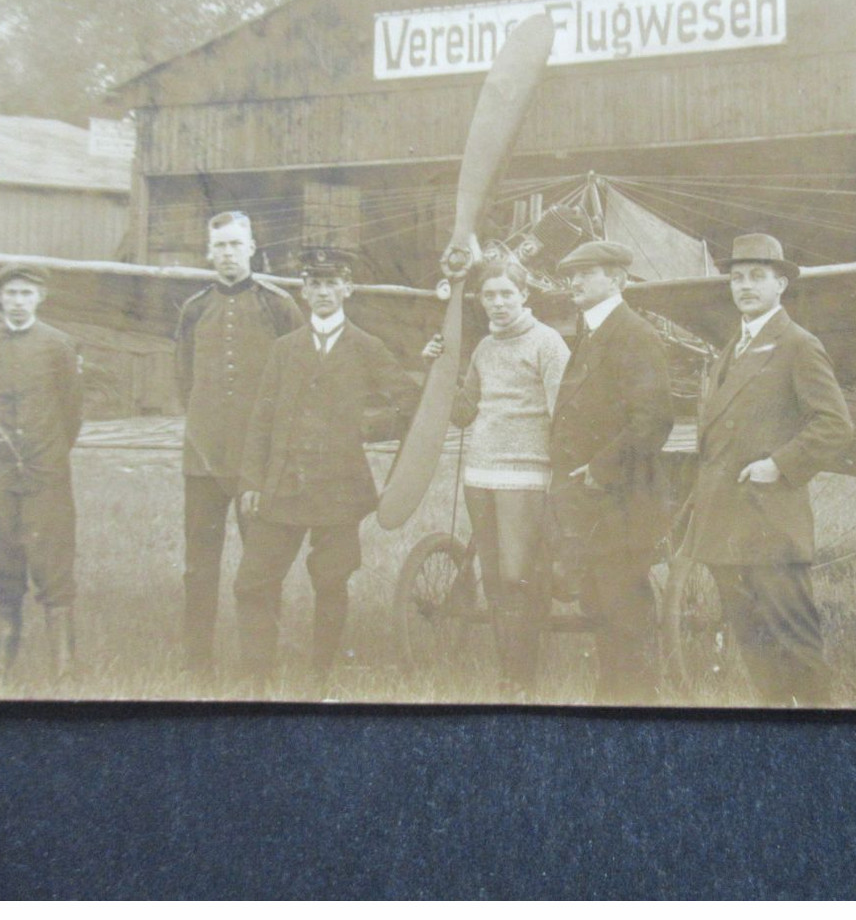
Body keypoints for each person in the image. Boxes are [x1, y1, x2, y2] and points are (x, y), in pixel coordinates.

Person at [235, 246, 419, 691]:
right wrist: (252, 481)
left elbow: (410, 403)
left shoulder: (367, 347)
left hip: (339, 489)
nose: (323, 292)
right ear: (303, 290)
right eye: (314, 283)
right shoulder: (284, 349)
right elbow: (262, 417)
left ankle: (320, 673)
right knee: (252, 583)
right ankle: (257, 676)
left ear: (348, 288)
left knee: (331, 582)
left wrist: (369, 427)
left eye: (332, 283)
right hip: (283, 486)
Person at [685, 233, 854, 706]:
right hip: (726, 528)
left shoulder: (798, 344)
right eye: (737, 278)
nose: (745, 286)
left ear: (781, 284)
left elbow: (835, 425)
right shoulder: (729, 349)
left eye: (758, 276)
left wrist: (779, 464)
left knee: (798, 648)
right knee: (755, 649)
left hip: (770, 524)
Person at [422, 258, 570, 698]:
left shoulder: (548, 343)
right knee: (493, 579)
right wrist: (439, 367)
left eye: (507, 293)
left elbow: (563, 413)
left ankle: (523, 679)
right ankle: (508, 676)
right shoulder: (484, 347)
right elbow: (464, 411)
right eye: (490, 295)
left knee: (516, 577)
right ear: (481, 300)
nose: (499, 303)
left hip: (526, 475)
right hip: (479, 475)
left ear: (525, 294)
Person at [174, 211, 301, 677]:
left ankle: (259, 669)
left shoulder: (278, 306)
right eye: (219, 246)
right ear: (210, 252)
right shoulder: (193, 309)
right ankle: (197, 667)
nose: (227, 253)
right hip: (204, 462)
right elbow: (183, 379)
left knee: (261, 569)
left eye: (235, 244)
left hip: (259, 466)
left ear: (252, 247)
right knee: (199, 569)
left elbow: (297, 381)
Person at [548, 241, 674, 705]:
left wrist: (600, 470)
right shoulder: (593, 332)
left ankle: (637, 707)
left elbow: (654, 419)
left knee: (624, 610)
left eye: (588, 273)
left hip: (622, 501)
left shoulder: (634, 334)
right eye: (572, 274)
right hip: (589, 501)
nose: (575, 282)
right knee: (601, 606)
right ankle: (613, 701)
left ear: (618, 279)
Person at [0, 264, 84, 678]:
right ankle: (3, 651)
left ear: (40, 298)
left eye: (25, 294)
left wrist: (45, 451)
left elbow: (71, 413)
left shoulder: (59, 346)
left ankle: (63, 662)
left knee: (52, 554)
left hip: (45, 469)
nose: (17, 301)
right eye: (11, 293)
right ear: (0, 298)